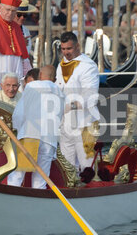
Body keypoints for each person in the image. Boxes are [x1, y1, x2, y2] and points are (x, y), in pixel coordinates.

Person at [7, 65, 65, 189]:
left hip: (30, 135)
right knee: (41, 179)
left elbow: (20, 113)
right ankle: (38, 200)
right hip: (50, 139)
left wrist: (17, 129)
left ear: (39, 76)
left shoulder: (32, 86)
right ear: (54, 79)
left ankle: (11, 196)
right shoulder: (60, 93)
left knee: (17, 175)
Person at [56, 31, 100, 171]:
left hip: (85, 123)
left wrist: (70, 106)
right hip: (66, 125)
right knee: (67, 168)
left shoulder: (88, 66)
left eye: (69, 48)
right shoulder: (60, 66)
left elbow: (90, 95)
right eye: (63, 49)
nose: (66, 52)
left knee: (88, 166)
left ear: (77, 46)